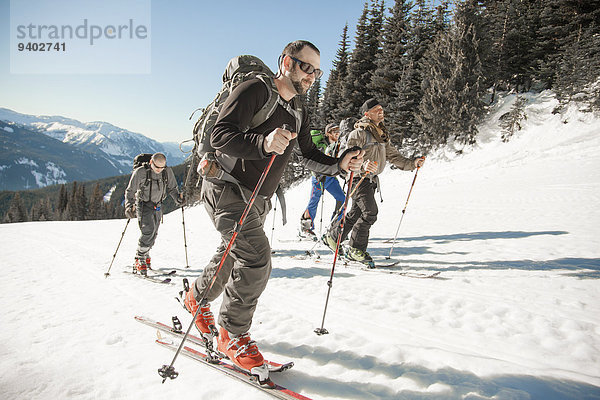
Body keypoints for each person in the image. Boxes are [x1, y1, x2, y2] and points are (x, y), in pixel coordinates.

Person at [183, 40, 365, 377]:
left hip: (258, 199)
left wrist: (341, 162)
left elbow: (308, 153)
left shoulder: (298, 109)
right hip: (225, 189)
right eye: (305, 66)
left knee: (233, 253)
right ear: (286, 62)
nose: (311, 75)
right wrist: (262, 143)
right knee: (255, 257)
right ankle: (232, 335)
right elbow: (219, 136)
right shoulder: (256, 89)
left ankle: (196, 297)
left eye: (316, 70)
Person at [322, 98, 425, 266]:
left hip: (370, 180)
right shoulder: (359, 133)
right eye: (376, 109)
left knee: (356, 213)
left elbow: (394, 156)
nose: (380, 111)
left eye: (381, 108)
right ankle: (356, 249)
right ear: (366, 114)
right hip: (357, 178)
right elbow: (349, 156)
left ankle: (332, 237)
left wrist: (412, 164)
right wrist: (363, 164)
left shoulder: (381, 135)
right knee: (370, 212)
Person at [124, 153, 184, 275]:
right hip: (144, 204)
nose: (159, 170)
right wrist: (129, 207)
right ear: (151, 162)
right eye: (157, 167)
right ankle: (139, 257)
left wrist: (178, 198)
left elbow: (172, 188)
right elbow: (130, 191)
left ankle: (145, 253)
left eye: (162, 168)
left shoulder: (166, 171)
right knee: (148, 231)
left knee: (154, 233)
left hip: (158, 205)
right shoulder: (141, 172)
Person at [299, 123, 346, 240]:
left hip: (330, 178)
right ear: (327, 133)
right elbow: (313, 160)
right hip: (318, 177)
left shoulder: (338, 145)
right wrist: (317, 174)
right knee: (314, 201)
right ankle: (306, 228)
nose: (337, 132)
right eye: (334, 130)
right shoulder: (321, 146)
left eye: (338, 130)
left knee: (342, 199)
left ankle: (334, 228)